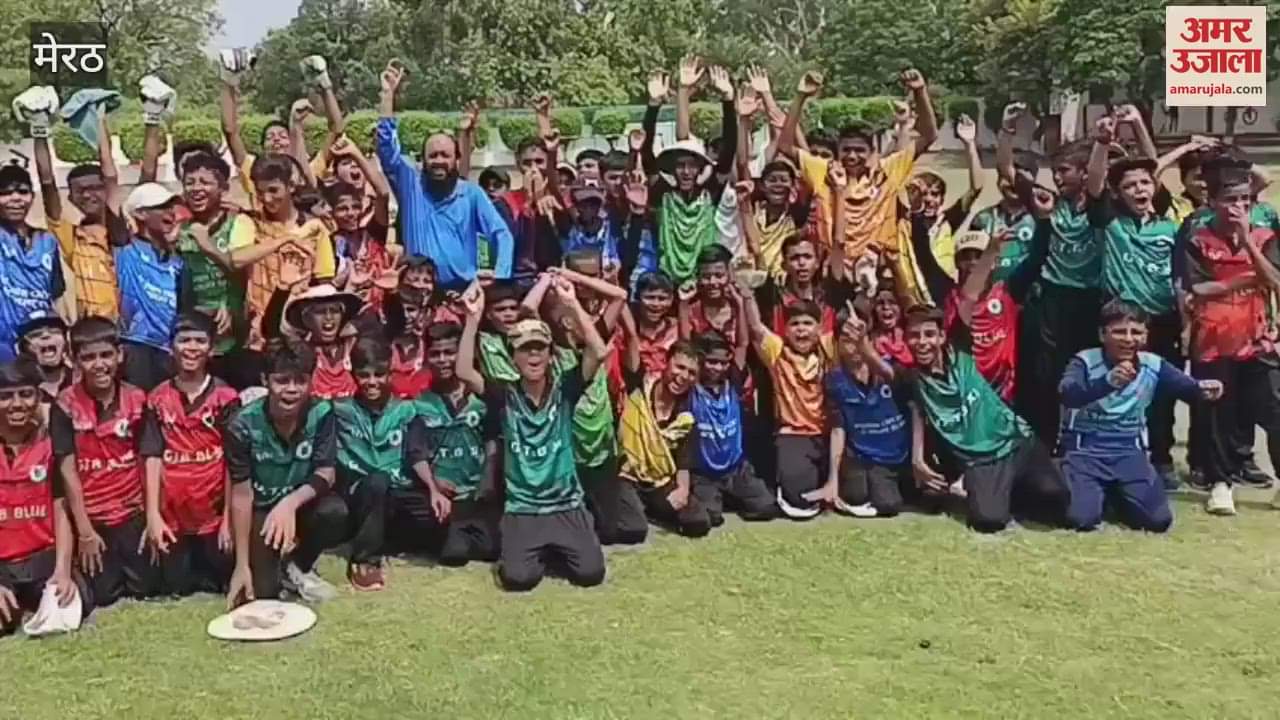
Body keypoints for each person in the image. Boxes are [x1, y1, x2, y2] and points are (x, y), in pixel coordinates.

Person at [456, 275, 609, 592]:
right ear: (514, 357)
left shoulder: (565, 389)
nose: (534, 356)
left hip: (566, 504)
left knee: (591, 573)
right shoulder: (504, 394)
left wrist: (572, 304)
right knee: (518, 579)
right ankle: (535, 548)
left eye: (540, 348)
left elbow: (598, 350)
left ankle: (564, 542)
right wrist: (472, 319)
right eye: (525, 350)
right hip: (523, 507)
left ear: (550, 354)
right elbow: (464, 372)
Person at [859, 305, 1070, 534]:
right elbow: (884, 371)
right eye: (914, 336)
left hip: (1017, 442)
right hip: (982, 460)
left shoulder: (960, 351)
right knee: (988, 520)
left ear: (941, 337)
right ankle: (996, 490)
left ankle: (1038, 477)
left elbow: (971, 292)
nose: (922, 342)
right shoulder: (913, 379)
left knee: (1057, 501)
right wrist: (861, 341)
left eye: (929, 334)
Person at [1060, 301, 1223, 531]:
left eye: (1136, 332)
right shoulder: (1084, 361)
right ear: (1102, 334)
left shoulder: (1153, 364)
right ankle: (1097, 494)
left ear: (1145, 337)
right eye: (1119, 331)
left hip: (1129, 452)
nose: (1128, 339)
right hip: (1085, 451)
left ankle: (1117, 494)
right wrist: (1106, 383)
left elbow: (1188, 388)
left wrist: (1205, 390)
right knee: (1081, 519)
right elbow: (1068, 394)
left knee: (1158, 521)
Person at [1085, 115, 1182, 484]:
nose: (1140, 189)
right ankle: (1115, 457)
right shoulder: (1111, 222)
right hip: (1123, 323)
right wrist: (1101, 142)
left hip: (1164, 322)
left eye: (1145, 183)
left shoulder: (1169, 226)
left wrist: (1140, 126)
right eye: (1130, 185)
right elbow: (1094, 188)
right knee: (1117, 389)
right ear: (1118, 193)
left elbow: (1152, 164)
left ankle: (1162, 458)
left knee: (1162, 396)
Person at [1183, 163, 1280, 515]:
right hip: (1212, 340)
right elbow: (1199, 287)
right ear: (1213, 201)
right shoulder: (1197, 237)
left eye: (1245, 200)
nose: (1239, 207)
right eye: (1231, 200)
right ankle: (1221, 484)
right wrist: (1243, 282)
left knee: (1274, 409)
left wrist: (1247, 242)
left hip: (1258, 339)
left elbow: (1274, 280)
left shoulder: (1265, 237)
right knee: (1217, 415)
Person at [224, 341, 345, 605]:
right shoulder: (242, 425)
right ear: (265, 380)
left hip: (300, 503)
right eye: (282, 381)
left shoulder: (321, 412)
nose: (291, 389)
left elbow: (327, 472)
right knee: (264, 591)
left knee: (335, 512)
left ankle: (298, 565)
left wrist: (289, 504)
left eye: (300, 381)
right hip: (261, 510)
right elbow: (241, 495)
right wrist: (241, 565)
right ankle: (267, 565)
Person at [776, 68, 938, 261]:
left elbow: (929, 136)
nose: (852, 156)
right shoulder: (824, 172)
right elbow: (785, 146)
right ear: (838, 152)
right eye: (846, 150)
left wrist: (920, 91)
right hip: (834, 270)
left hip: (878, 270)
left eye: (859, 150)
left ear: (872, 152)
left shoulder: (887, 170)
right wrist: (801, 96)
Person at [376, 63, 514, 288]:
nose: (439, 161)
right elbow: (386, 149)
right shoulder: (411, 186)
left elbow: (501, 234)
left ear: (456, 160)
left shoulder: (471, 194)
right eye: (433, 156)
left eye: (445, 155)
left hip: (463, 293)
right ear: (422, 161)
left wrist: (500, 275)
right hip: (418, 292)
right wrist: (388, 95)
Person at [52, 317, 160, 605]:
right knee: (103, 597)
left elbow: (149, 456)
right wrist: (85, 531)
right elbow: (67, 471)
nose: (99, 364)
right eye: (88, 358)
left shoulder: (137, 398)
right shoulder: (64, 405)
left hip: (132, 514)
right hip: (94, 519)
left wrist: (152, 516)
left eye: (106, 355)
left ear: (120, 355)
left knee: (148, 590)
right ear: (74, 361)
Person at [139, 313, 240, 595]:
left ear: (211, 348)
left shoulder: (226, 397)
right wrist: (152, 517)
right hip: (174, 517)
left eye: (200, 341)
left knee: (219, 582)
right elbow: (152, 456)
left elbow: (235, 461)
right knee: (174, 587)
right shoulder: (157, 397)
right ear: (172, 347)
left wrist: (229, 521)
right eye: (184, 340)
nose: (192, 348)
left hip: (214, 515)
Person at [331, 338, 434, 590]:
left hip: (397, 490)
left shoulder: (407, 411)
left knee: (436, 520)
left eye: (379, 374)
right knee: (377, 481)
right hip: (359, 492)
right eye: (364, 375)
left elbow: (417, 454)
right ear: (353, 375)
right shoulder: (338, 410)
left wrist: (434, 490)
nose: (372, 382)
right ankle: (365, 559)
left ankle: (390, 540)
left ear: (390, 372)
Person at [0, 357, 92, 636]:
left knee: (65, 613)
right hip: (2, 563)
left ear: (38, 397)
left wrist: (63, 570)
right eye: (5, 397)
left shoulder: (51, 444)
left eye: (26, 394)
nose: (17, 404)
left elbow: (61, 508)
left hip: (43, 557)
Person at [640, 58, 738, 284]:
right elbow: (646, 151)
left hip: (705, 280)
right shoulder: (662, 192)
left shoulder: (709, 192)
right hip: (667, 279)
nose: (685, 171)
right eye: (680, 165)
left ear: (700, 168)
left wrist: (728, 100)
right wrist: (653, 105)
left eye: (691, 166)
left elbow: (729, 149)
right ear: (672, 168)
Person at [411, 323, 499, 566]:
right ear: (427, 358)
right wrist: (434, 484)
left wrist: (489, 476)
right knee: (454, 555)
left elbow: (492, 438)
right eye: (435, 354)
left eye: (449, 352)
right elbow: (416, 452)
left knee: (493, 550)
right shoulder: (419, 404)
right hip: (444, 498)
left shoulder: (480, 397)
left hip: (480, 493)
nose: (443, 360)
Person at [234, 154, 339, 355]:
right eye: (260, 192)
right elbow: (237, 259)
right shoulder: (249, 222)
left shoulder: (314, 228)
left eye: (273, 190)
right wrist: (284, 240)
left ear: (291, 186)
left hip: (301, 335)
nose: (266, 199)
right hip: (258, 333)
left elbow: (324, 282)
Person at [31, 107, 129, 323]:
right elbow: (47, 183)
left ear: (105, 191)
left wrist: (100, 119)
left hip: (129, 332)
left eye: (95, 187)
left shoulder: (122, 232)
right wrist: (39, 129)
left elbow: (110, 173)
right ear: (71, 198)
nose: (88, 195)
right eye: (80, 191)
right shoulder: (72, 238)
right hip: (91, 331)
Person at [819, 302, 913, 517]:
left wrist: (864, 347)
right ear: (837, 344)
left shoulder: (890, 367)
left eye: (859, 339)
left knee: (913, 498)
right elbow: (838, 430)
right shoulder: (834, 381)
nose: (854, 346)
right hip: (866, 455)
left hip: (901, 454)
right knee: (867, 499)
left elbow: (893, 379)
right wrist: (832, 479)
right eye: (846, 340)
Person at [685, 332, 776, 527]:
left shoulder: (734, 383)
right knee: (711, 517)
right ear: (700, 360)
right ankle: (715, 499)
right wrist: (684, 304)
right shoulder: (690, 390)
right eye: (712, 362)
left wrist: (740, 301)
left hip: (735, 469)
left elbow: (743, 342)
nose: (718, 368)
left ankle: (730, 497)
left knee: (766, 507)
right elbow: (686, 341)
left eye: (724, 362)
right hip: (703, 472)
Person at [117, 183, 191, 391]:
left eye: (171, 207)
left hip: (169, 350)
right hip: (136, 346)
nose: (170, 212)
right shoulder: (125, 249)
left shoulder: (178, 261)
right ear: (140, 213)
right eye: (161, 206)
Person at [0, 163, 65, 364]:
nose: (16, 198)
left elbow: (55, 294)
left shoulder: (47, 241)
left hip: (39, 343)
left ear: (32, 196)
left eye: (22, 191)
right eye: (5, 193)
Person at [16, 312, 71, 415]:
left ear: (66, 341)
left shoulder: (83, 380)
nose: (45, 335)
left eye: (54, 331)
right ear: (24, 347)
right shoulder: (13, 388)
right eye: (35, 334)